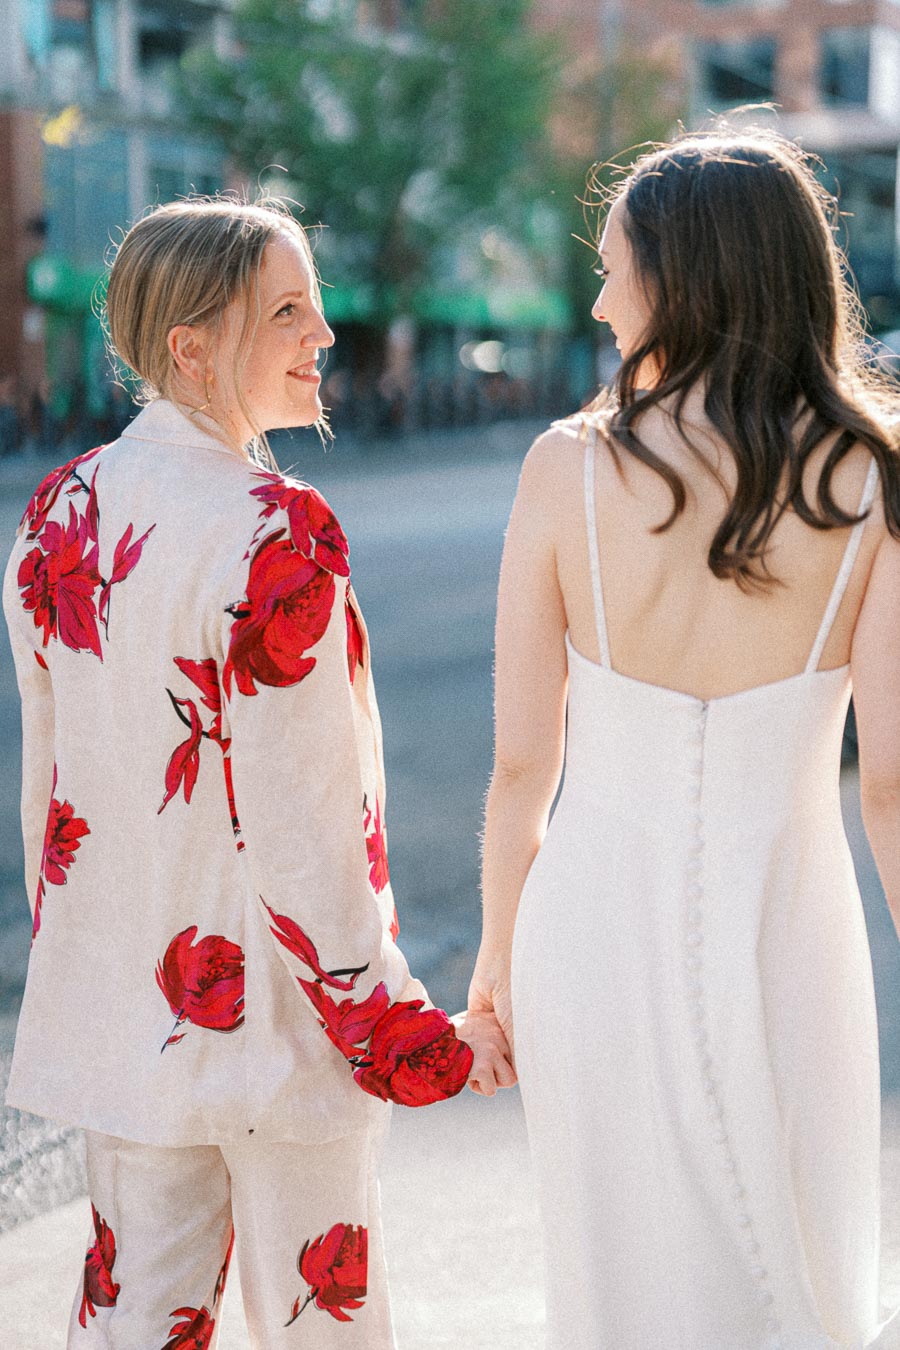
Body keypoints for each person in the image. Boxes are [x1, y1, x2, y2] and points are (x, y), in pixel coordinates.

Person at [3, 196, 511, 1350]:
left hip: (128, 1014)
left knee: (134, 1324)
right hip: (280, 1026)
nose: (322, 336)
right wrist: (398, 1028)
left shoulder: (59, 515)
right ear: (192, 346)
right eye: (287, 312)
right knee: (321, 1329)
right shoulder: (277, 529)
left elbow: (55, 800)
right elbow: (306, 822)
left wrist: (92, 972)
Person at [469, 125, 900, 1349]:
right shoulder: (874, 477)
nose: (599, 301)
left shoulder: (564, 470)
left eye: (615, 269)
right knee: (800, 1266)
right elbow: (892, 784)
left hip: (591, 928)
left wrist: (496, 963)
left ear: (684, 277)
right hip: (792, 925)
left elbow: (522, 766)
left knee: (619, 1284)